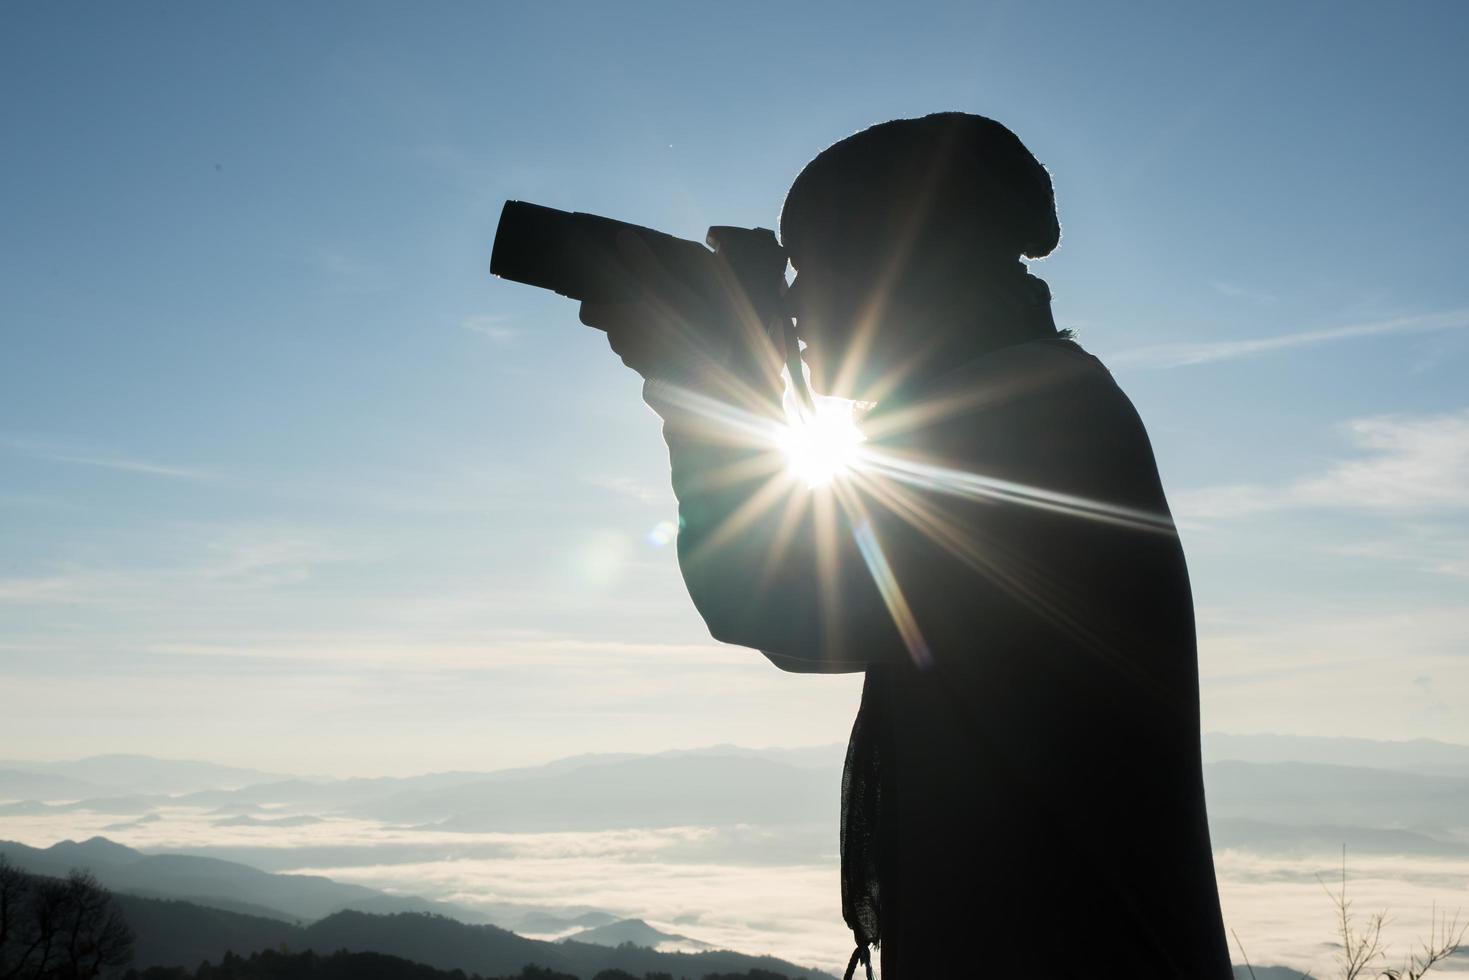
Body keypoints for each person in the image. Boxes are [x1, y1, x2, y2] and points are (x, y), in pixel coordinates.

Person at [582, 112, 1232, 978]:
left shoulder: (1018, 417)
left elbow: (788, 607)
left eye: (811, 267)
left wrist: (708, 381)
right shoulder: (1022, 398)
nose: (794, 305)